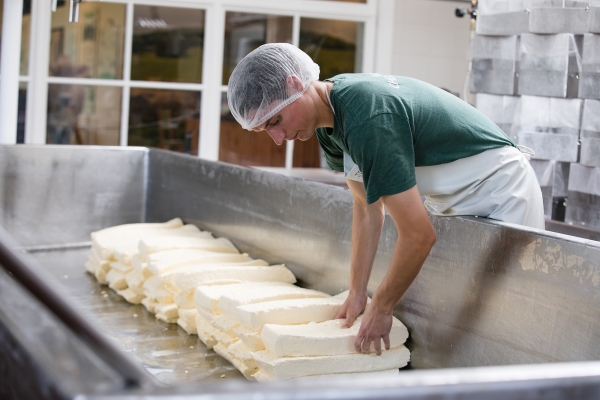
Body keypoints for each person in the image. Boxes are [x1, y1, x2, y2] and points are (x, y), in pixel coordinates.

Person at [227, 43, 544, 356]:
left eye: (275, 122)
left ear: (294, 84)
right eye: (265, 130)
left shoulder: (367, 118)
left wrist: (381, 305)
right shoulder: (328, 124)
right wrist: (357, 292)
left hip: (501, 193)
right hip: (456, 201)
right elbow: (366, 209)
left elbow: (419, 235)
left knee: (505, 324)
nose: (278, 139)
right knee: (472, 318)